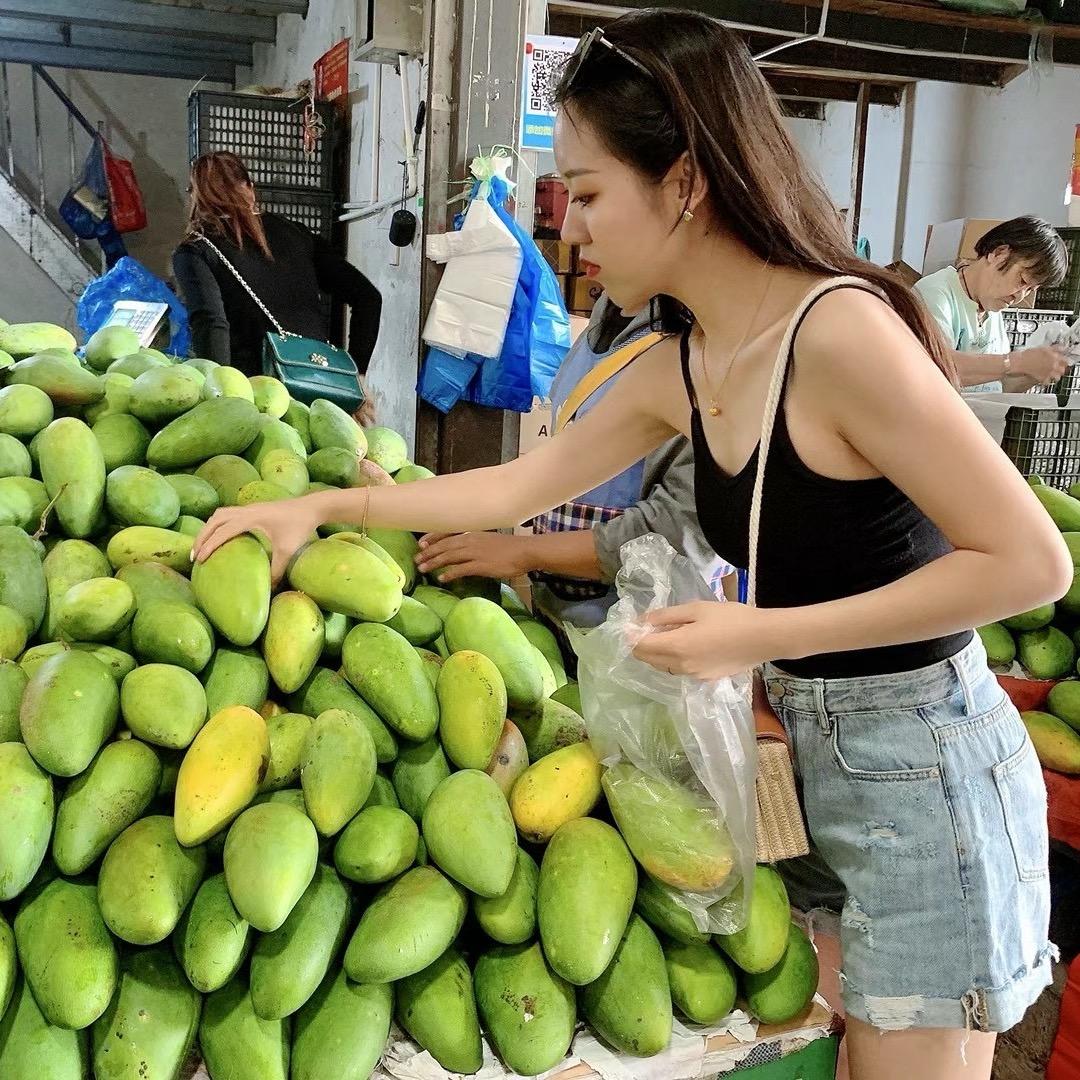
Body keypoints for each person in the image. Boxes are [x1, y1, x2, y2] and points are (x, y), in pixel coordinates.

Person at [195, 13, 1070, 1079]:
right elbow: (518, 486)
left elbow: (1031, 564)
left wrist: (763, 628)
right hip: (822, 751)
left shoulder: (839, 334)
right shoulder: (684, 361)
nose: (570, 227)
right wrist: (321, 513)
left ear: (688, 181)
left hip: (928, 763)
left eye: (592, 191)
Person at [416, 291, 733, 638]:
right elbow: (555, 471)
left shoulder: (706, 357)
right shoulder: (605, 321)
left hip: (650, 644)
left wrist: (525, 552)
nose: (572, 235)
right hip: (564, 625)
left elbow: (679, 537)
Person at [172, 152, 382, 382]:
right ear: (250, 189)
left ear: (196, 198)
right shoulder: (297, 233)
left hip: (255, 391)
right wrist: (357, 373)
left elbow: (211, 322)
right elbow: (367, 296)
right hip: (318, 381)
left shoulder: (195, 249)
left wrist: (217, 392)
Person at [914, 216, 1070, 393]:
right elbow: (936, 366)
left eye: (1030, 290)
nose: (1019, 296)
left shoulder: (992, 308)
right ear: (998, 254)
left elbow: (1001, 386)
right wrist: (1019, 361)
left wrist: (1033, 371)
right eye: (1022, 280)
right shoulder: (936, 292)